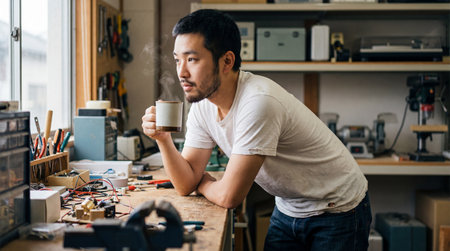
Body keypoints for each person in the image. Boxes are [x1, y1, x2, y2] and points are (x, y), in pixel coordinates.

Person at [142, 9, 372, 251]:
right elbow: (185, 183)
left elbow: (230, 196)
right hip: (288, 207)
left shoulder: (259, 102)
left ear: (227, 61)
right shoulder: (203, 105)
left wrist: (203, 184)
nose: (181, 72)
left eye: (192, 59)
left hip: (337, 209)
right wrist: (163, 139)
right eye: (178, 59)